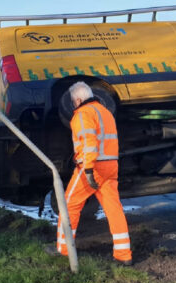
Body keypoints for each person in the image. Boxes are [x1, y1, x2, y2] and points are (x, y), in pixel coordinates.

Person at [51, 81, 132, 265]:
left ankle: (63, 250)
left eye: (73, 102)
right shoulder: (105, 112)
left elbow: (89, 143)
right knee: (113, 208)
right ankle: (123, 255)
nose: (73, 105)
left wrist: (87, 169)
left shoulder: (82, 114)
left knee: (69, 205)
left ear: (78, 99)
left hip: (91, 167)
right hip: (110, 166)